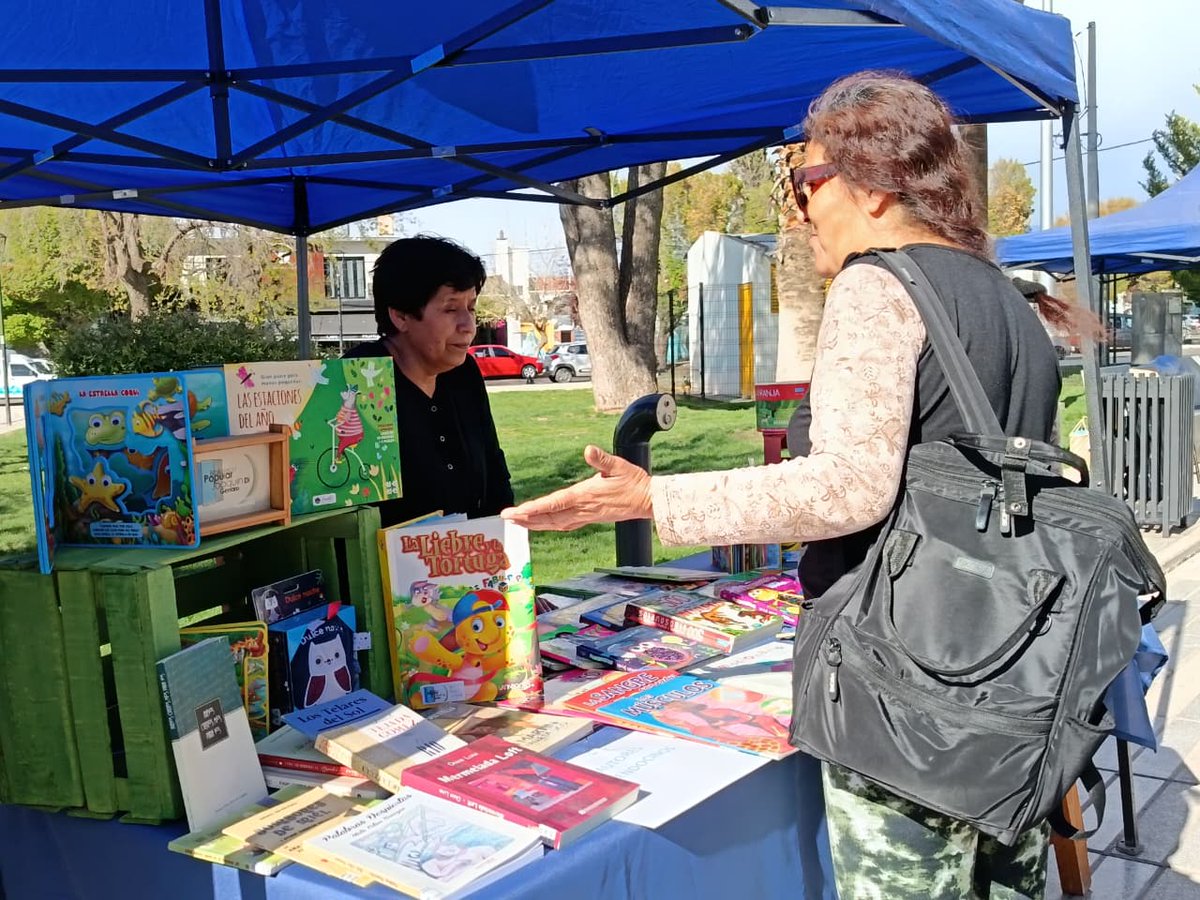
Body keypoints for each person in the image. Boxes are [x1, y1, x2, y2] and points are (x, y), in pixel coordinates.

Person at [503, 71, 1062, 899]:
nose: (798, 215)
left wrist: (653, 498)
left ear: (873, 186)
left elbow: (847, 488)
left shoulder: (881, 285)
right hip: (1014, 659)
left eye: (805, 183)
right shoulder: (1005, 296)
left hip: (914, 686)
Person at [344, 235, 513, 527]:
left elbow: (494, 471)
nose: (469, 326)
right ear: (401, 316)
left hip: (475, 565)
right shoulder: (357, 380)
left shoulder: (464, 372)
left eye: (471, 307)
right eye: (451, 309)